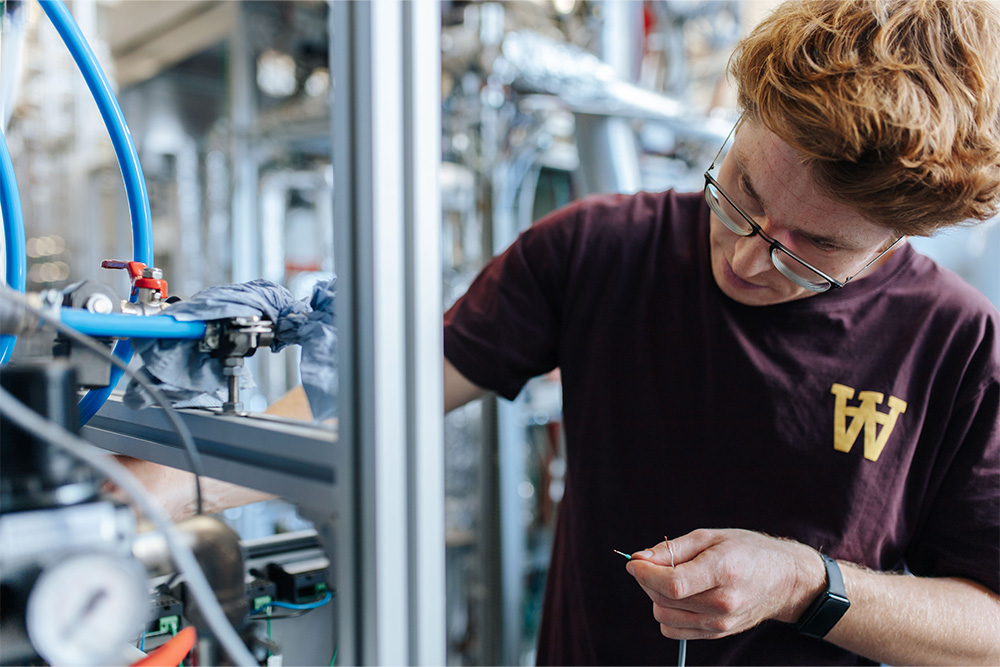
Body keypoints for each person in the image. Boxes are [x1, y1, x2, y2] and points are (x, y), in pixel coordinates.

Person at [442, 0, 1000, 664]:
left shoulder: (954, 346)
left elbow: (987, 631)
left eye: (812, 250)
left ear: (896, 237)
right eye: (742, 195)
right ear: (741, 119)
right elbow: (378, 403)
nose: (744, 259)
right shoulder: (595, 249)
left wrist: (806, 584)